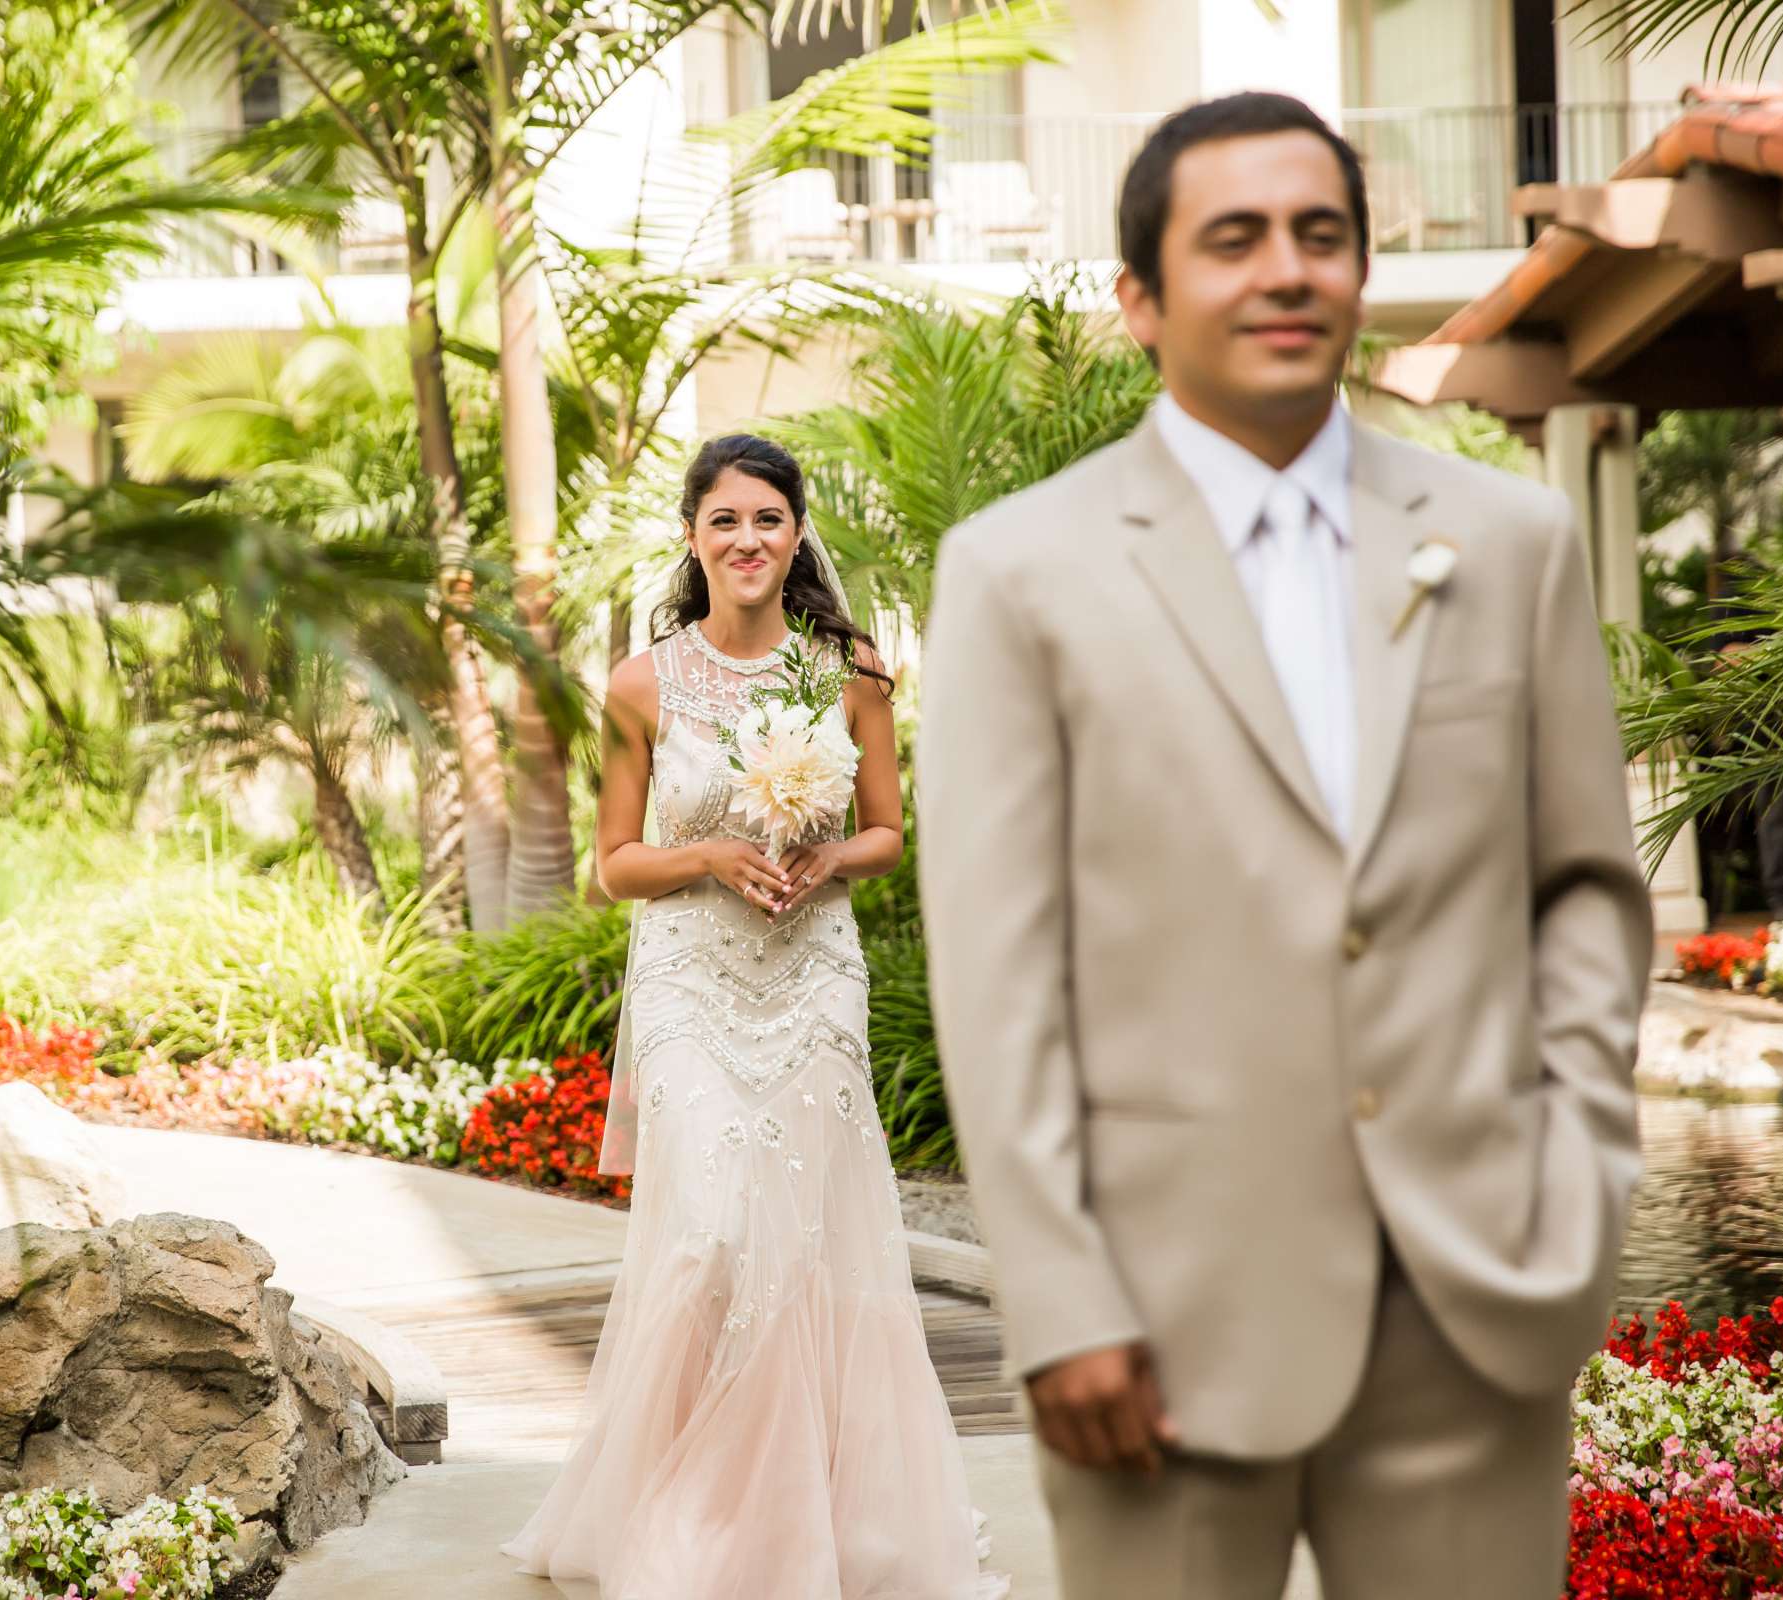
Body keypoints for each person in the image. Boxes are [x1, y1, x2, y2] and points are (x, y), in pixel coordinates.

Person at [916, 92, 1652, 1598]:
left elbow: (1582, 894)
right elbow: (1001, 976)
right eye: (1234, 239)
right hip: (1158, 1335)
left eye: (1321, 235)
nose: (1287, 271)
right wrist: (1060, 1301)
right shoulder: (1016, 574)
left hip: (1474, 1306)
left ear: (1361, 272)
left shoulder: (1511, 546)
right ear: (1142, 298)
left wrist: (1573, 1169)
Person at [503, 433, 1008, 1599]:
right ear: (694, 534)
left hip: (812, 972)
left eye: (768, 520)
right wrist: (714, 853)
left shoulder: (850, 672)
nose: (747, 540)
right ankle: (683, 1507)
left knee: (809, 1244)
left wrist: (826, 857)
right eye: (725, 520)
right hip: (689, 979)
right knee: (710, 1235)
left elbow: (890, 831)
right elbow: (616, 865)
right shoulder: (640, 682)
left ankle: (799, 1524)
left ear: (796, 536)